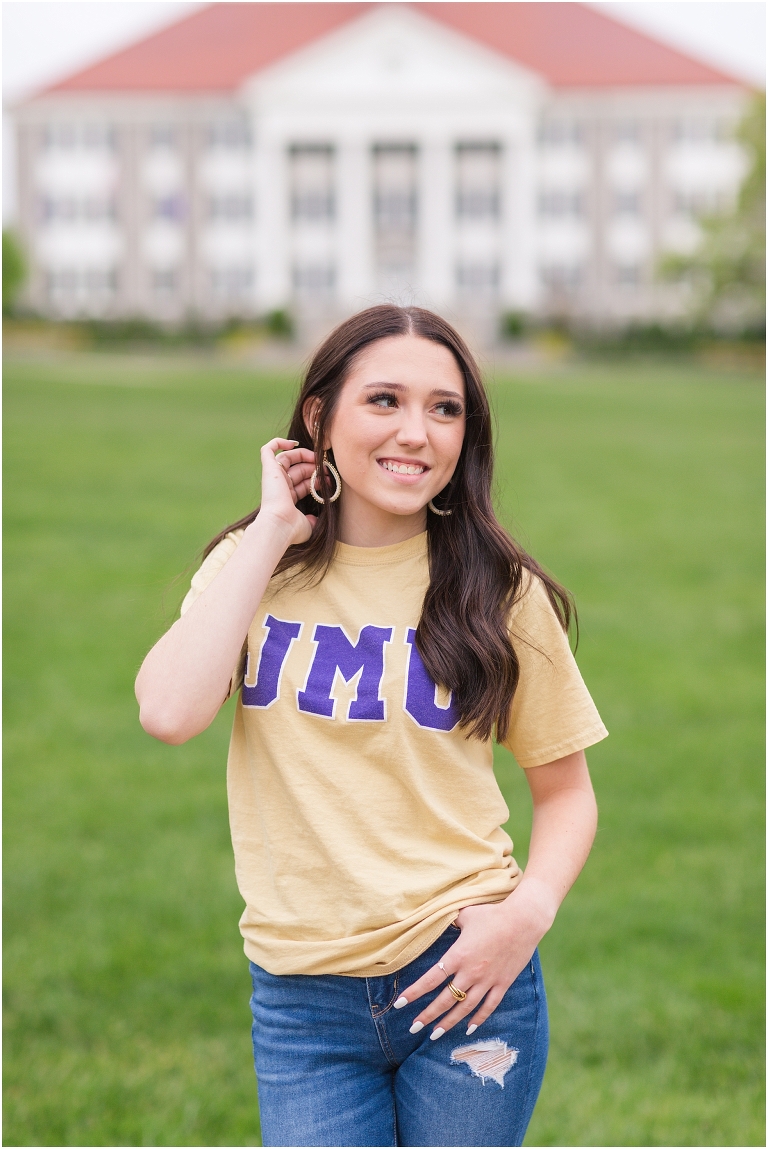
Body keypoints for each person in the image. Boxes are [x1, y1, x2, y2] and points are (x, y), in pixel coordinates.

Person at [135, 305, 607, 1148]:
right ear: (320, 416)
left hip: (466, 972)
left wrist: (524, 915)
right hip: (302, 998)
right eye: (384, 400)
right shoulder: (252, 569)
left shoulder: (498, 592)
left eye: (445, 407)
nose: (416, 433)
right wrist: (273, 530)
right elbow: (169, 713)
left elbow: (566, 792)